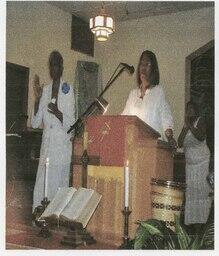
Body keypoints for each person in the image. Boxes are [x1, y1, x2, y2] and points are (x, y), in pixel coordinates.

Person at [31, 50, 75, 212]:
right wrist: (37, 99)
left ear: (62, 67)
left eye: (57, 65)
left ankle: (56, 218)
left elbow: (72, 123)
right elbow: (35, 123)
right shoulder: (45, 90)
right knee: (41, 183)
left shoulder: (68, 89)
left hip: (61, 148)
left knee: (58, 185)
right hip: (47, 147)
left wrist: (57, 111)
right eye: (51, 65)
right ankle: (39, 216)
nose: (54, 68)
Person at [121, 50, 176, 147]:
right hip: (134, 147)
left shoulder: (158, 92)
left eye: (147, 64)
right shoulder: (133, 94)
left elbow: (166, 118)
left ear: (153, 69)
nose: (143, 67)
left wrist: (170, 138)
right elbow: (124, 118)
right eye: (141, 64)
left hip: (153, 147)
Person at [178, 101, 211, 226]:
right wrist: (186, 127)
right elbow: (180, 142)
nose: (188, 112)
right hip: (190, 165)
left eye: (191, 109)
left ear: (196, 110)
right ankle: (192, 222)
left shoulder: (200, 121)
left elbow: (201, 137)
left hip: (202, 162)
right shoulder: (186, 125)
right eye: (187, 110)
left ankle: (203, 222)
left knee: (201, 192)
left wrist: (191, 126)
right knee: (191, 192)